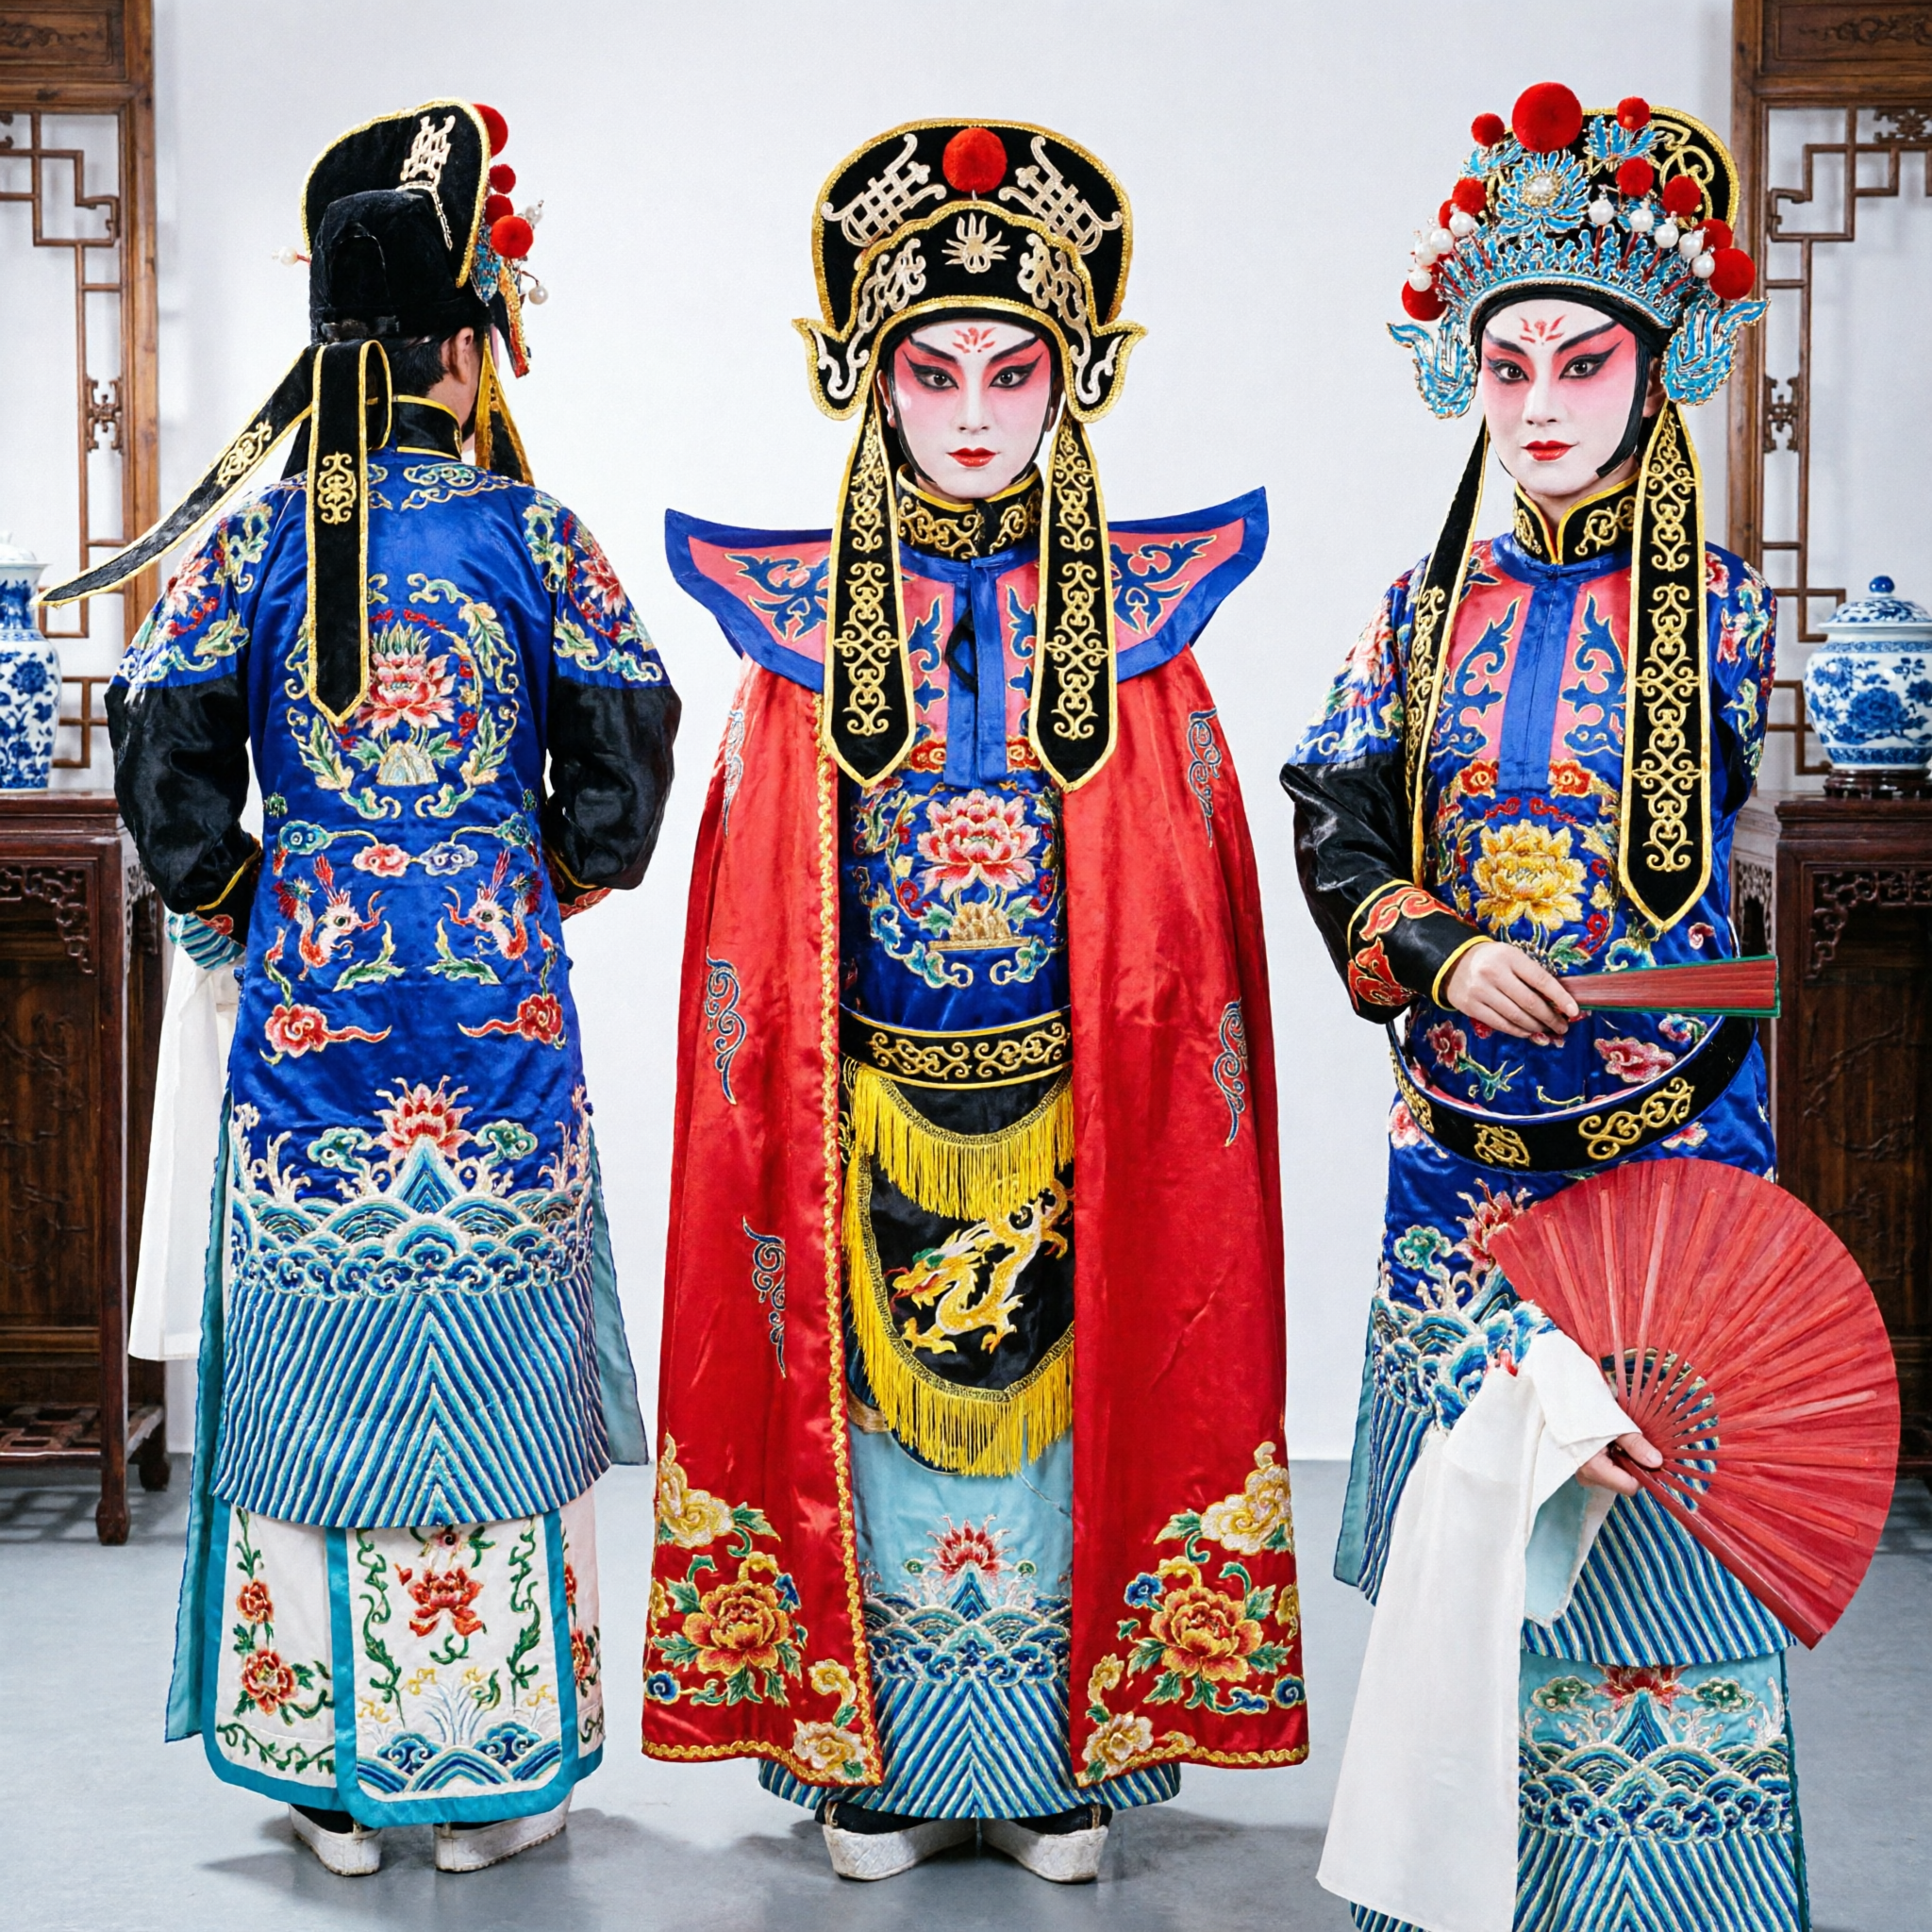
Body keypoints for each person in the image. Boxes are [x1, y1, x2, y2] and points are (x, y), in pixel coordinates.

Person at [646, 120, 1306, 1884]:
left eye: (1015, 376)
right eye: (930, 374)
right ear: (867, 383)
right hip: (863, 1104)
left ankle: (1055, 1766)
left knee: (1062, 1438)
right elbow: (751, 920)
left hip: (1072, 1099)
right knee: (870, 1435)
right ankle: (880, 1765)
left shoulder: (1146, 636)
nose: (970, 414)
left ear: (1070, 388)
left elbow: (1186, 923)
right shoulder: (798, 638)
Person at [44, 100, 678, 1876]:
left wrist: (265, 895)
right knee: (480, 1350)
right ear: (467, 357)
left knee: (321, 1363)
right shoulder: (528, 537)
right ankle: (491, 1778)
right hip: (493, 1018)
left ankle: (325, 1777)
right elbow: (631, 754)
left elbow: (158, 756)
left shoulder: (243, 546)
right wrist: (517, 878)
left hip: (312, 1013)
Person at [1280, 84, 1804, 1932]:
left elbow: (1769, 893)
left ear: (1659, 367)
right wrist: (1429, 949)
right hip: (1465, 1183)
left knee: (1658, 1578)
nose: (1545, 400)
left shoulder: (1736, 625)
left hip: (1676, 1178)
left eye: (1584, 359)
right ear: (1469, 383)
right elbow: (1330, 817)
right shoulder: (1417, 621)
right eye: (1507, 366)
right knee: (1473, 1587)